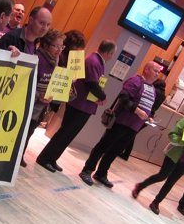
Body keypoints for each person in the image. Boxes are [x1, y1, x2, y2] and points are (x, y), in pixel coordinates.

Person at [36, 40, 116, 173]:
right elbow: (92, 83)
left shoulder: (96, 61)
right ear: (109, 53)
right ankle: (45, 158)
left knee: (68, 134)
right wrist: (103, 96)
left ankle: (52, 158)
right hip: (80, 104)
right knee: (65, 132)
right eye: (113, 54)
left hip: (84, 105)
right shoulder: (94, 61)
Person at [79, 61, 162, 188]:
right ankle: (87, 170)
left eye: (158, 72)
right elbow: (124, 98)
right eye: (155, 71)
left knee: (115, 150)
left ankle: (101, 173)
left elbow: (149, 107)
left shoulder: (153, 89)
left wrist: (149, 117)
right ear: (146, 70)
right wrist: (137, 110)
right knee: (103, 146)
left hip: (134, 126)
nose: (157, 74)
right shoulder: (135, 81)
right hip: (121, 121)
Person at [131, 100, 184, 214]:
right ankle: (140, 186)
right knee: (162, 176)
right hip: (174, 155)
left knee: (171, 182)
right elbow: (172, 135)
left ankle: (156, 202)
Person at [20, 29, 66, 167]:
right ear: (46, 44)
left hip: (41, 108)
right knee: (23, 131)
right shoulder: (37, 58)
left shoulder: (56, 61)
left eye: (61, 46)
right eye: (56, 46)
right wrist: (39, 95)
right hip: (29, 104)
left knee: (30, 131)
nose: (59, 50)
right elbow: (26, 82)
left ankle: (20, 154)